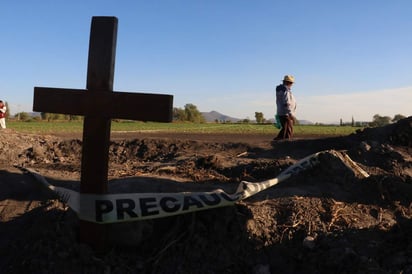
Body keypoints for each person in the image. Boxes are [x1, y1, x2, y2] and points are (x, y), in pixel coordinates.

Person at [273, 75, 297, 140]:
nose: (292, 84)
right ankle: (285, 146)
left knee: (285, 130)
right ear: (288, 82)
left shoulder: (281, 90)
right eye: (291, 83)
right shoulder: (285, 90)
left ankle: (276, 142)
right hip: (286, 113)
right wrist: (290, 114)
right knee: (288, 132)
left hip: (282, 112)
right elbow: (287, 103)